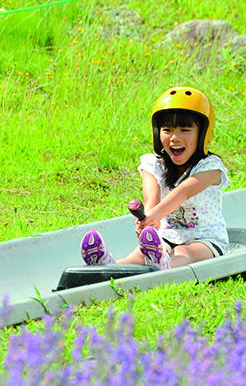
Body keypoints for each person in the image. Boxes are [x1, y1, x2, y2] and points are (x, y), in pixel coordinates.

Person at [80, 86, 230, 270]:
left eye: (185, 130)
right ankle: (108, 266)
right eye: (167, 130)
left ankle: (165, 265)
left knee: (185, 253)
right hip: (165, 238)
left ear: (203, 134)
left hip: (205, 239)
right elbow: (151, 197)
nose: (175, 137)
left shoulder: (211, 168)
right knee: (139, 254)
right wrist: (148, 223)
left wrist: (157, 214)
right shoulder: (154, 164)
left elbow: (184, 192)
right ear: (157, 133)